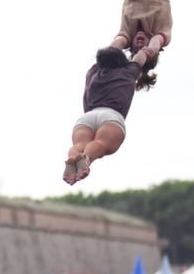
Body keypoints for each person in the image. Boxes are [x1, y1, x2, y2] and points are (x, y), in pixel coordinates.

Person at [62, 46, 157, 185]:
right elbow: (141, 56)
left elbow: (114, 46)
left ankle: (73, 157)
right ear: (122, 61)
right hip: (111, 116)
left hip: (87, 117)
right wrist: (151, 45)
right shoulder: (128, 71)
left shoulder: (92, 73)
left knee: (80, 144)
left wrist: (123, 35)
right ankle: (86, 159)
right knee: (101, 144)